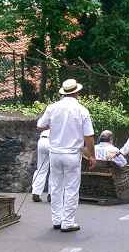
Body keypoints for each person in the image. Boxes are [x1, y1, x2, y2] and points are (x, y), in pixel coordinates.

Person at [37, 79, 96, 233]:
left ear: (63, 92)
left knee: (55, 187)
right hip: (72, 154)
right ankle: (67, 221)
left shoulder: (52, 107)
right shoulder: (82, 110)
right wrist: (92, 156)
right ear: (77, 92)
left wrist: (54, 125)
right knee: (71, 188)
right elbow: (89, 136)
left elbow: (40, 125)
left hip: (55, 153)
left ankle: (56, 220)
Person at [31, 129, 50, 203]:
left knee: (41, 169)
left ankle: (36, 192)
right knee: (55, 171)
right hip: (52, 141)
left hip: (42, 140)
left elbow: (39, 126)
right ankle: (52, 195)